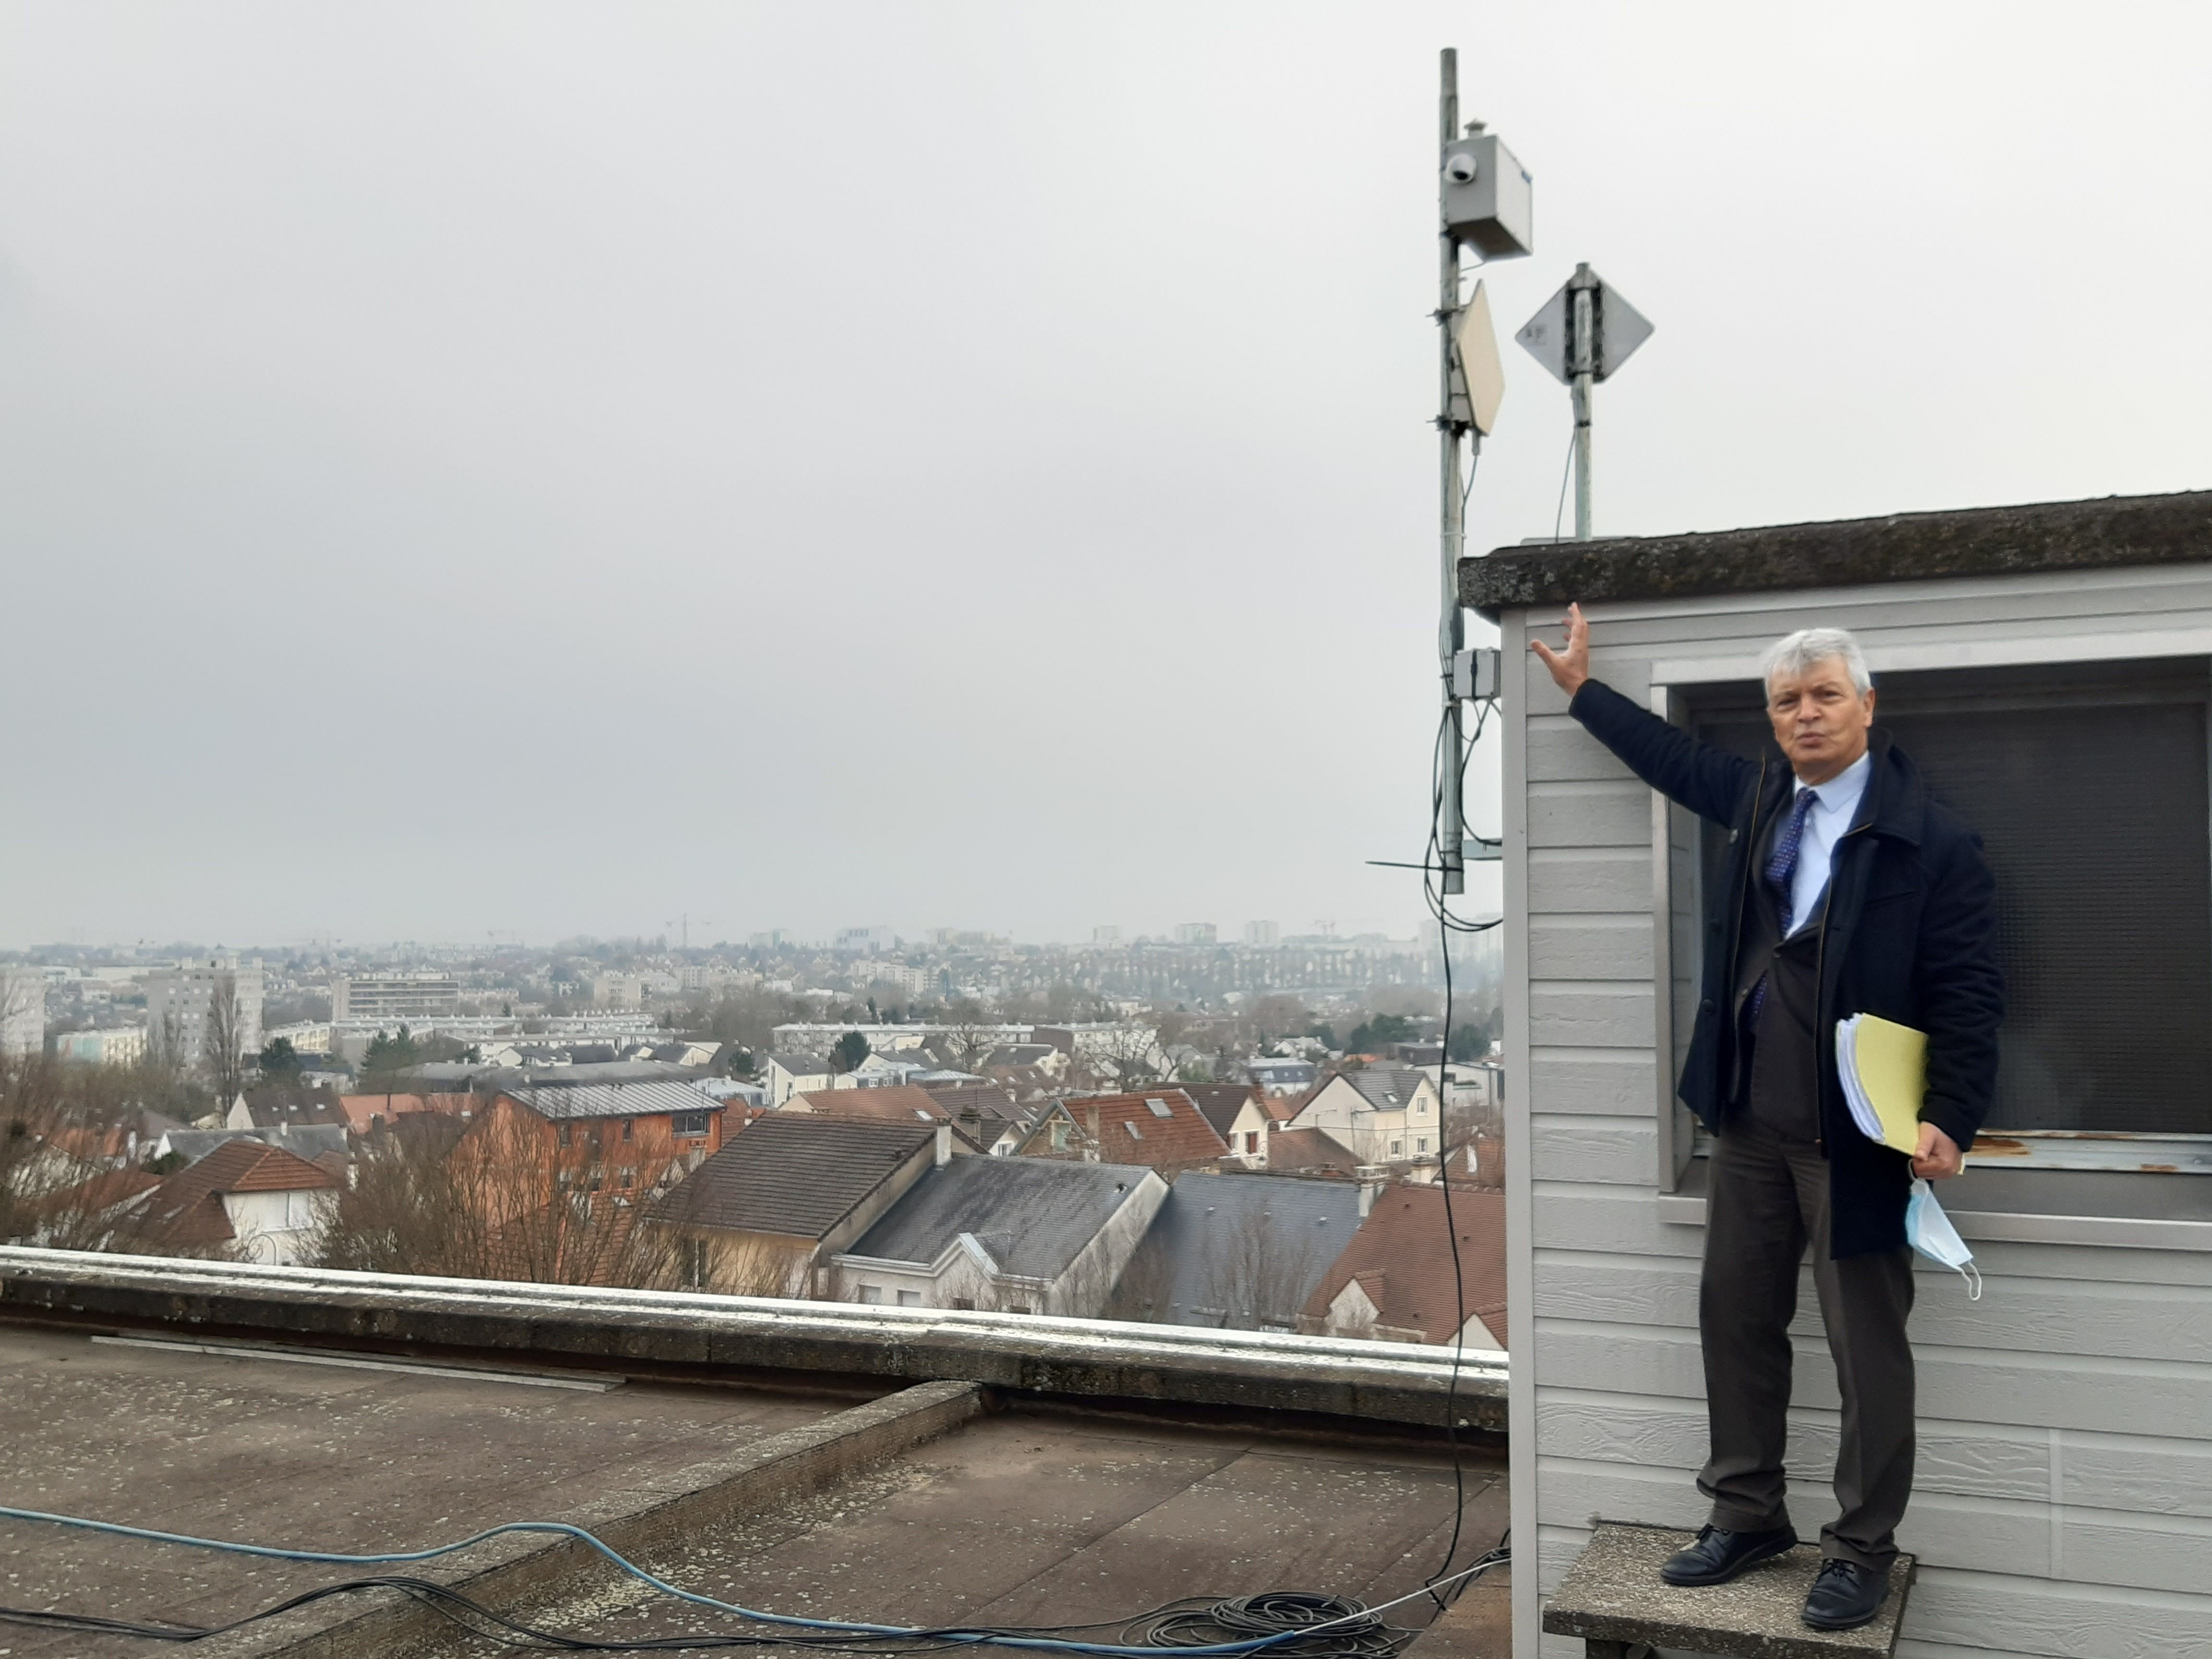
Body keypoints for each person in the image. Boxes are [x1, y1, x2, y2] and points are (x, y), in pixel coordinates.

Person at [1531, 606, 2003, 1632]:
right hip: (1747, 1128)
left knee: (1867, 1353)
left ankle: (1861, 1548)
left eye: (1826, 693)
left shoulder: (1932, 839)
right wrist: (1581, 691)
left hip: (1860, 1139)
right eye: (1787, 701)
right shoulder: (1758, 798)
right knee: (1735, 1321)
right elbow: (1666, 755)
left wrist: (1953, 1121)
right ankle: (1747, 1515)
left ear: (1868, 705)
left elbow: (1970, 992)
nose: (1807, 714)